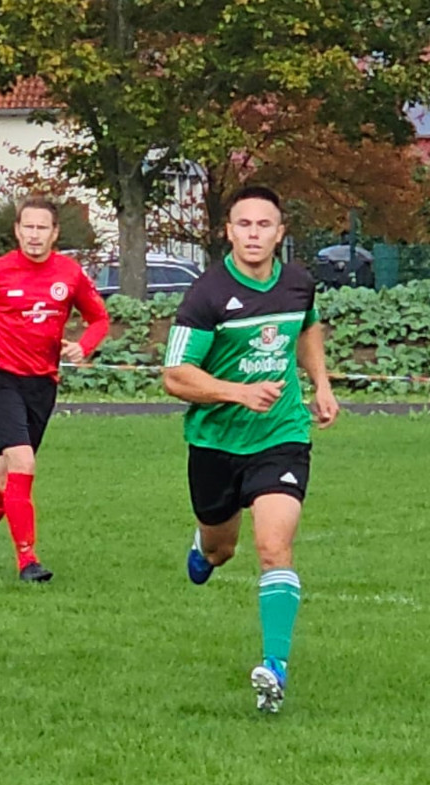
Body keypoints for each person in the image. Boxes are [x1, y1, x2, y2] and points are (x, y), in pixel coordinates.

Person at [162, 184, 339, 714]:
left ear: (280, 233)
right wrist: (237, 392)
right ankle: (205, 545)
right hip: (216, 442)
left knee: (273, 548)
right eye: (244, 225)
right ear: (229, 231)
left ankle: (275, 667)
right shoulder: (207, 295)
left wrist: (321, 384)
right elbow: (174, 377)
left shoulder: (298, 283)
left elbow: (306, 330)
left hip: (281, 436)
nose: (254, 234)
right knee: (223, 549)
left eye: (265, 225)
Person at [0, 196, 109, 582]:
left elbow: (99, 318)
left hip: (42, 383)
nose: (34, 235)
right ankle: (28, 561)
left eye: (42, 228)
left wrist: (83, 345)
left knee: (7, 475)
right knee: (23, 461)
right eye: (28, 227)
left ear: (54, 233)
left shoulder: (69, 274)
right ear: (17, 230)